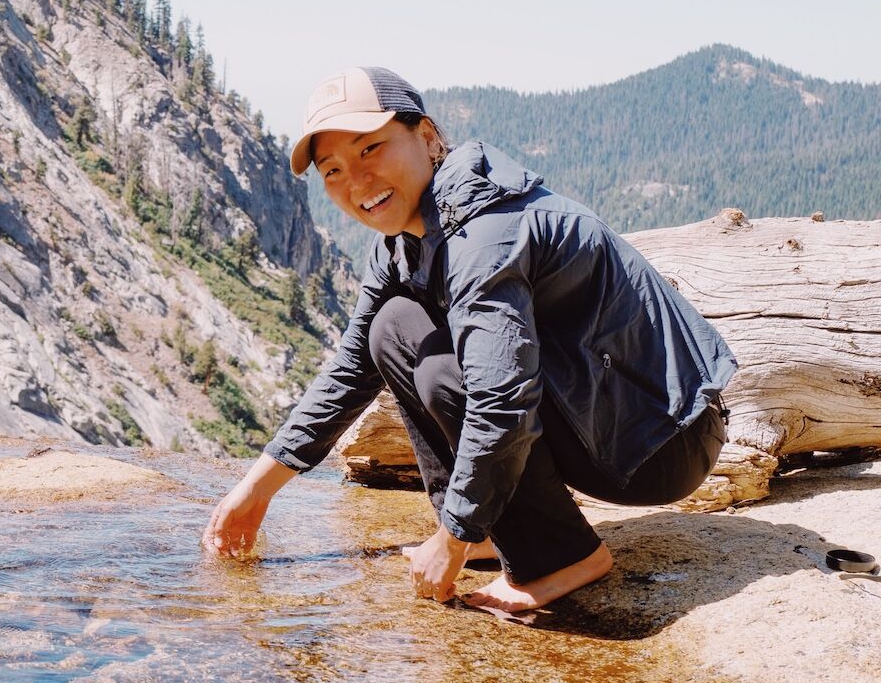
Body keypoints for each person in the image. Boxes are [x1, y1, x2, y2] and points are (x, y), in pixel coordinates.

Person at [202, 67, 736, 612]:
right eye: (333, 169)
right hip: (603, 410)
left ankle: (558, 557)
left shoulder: (484, 232)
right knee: (392, 329)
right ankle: (493, 527)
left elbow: (502, 400)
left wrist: (452, 536)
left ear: (428, 138)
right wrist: (256, 490)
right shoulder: (403, 241)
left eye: (371, 150)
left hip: (662, 439)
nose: (356, 182)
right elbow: (351, 366)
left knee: (441, 370)